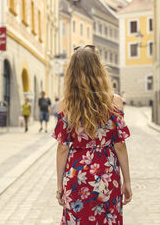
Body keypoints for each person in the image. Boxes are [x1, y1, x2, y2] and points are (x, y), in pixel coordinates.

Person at [51, 45, 132, 224]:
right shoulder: (114, 102)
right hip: (107, 175)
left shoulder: (65, 104)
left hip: (77, 177)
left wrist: (59, 185)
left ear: (72, 73)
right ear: (99, 69)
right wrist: (127, 181)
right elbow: (119, 145)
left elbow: (63, 148)